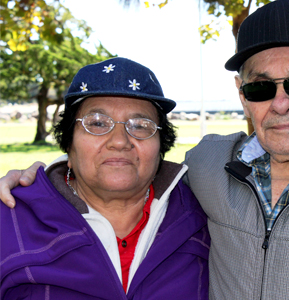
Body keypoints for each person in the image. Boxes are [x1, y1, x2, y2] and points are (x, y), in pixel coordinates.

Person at [1, 0, 289, 299]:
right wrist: (39, 181)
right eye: (261, 87)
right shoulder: (209, 169)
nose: (281, 104)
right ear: (242, 96)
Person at [0, 57, 210, 299]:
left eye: (140, 125)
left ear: (161, 145)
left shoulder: (202, 214)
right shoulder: (10, 219)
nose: (120, 141)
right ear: (69, 144)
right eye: (97, 123)